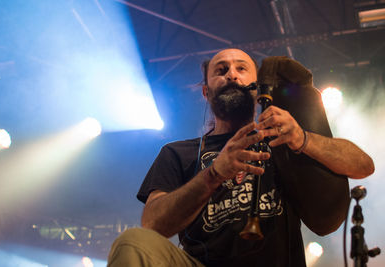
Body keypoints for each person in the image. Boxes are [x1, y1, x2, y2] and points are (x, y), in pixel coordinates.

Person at [107, 49, 375, 267]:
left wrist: (303, 138)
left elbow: (363, 165)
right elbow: (152, 224)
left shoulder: (281, 140)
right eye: (221, 70)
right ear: (206, 91)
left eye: (241, 68)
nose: (231, 75)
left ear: (258, 88)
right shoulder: (177, 152)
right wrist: (214, 173)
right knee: (132, 243)